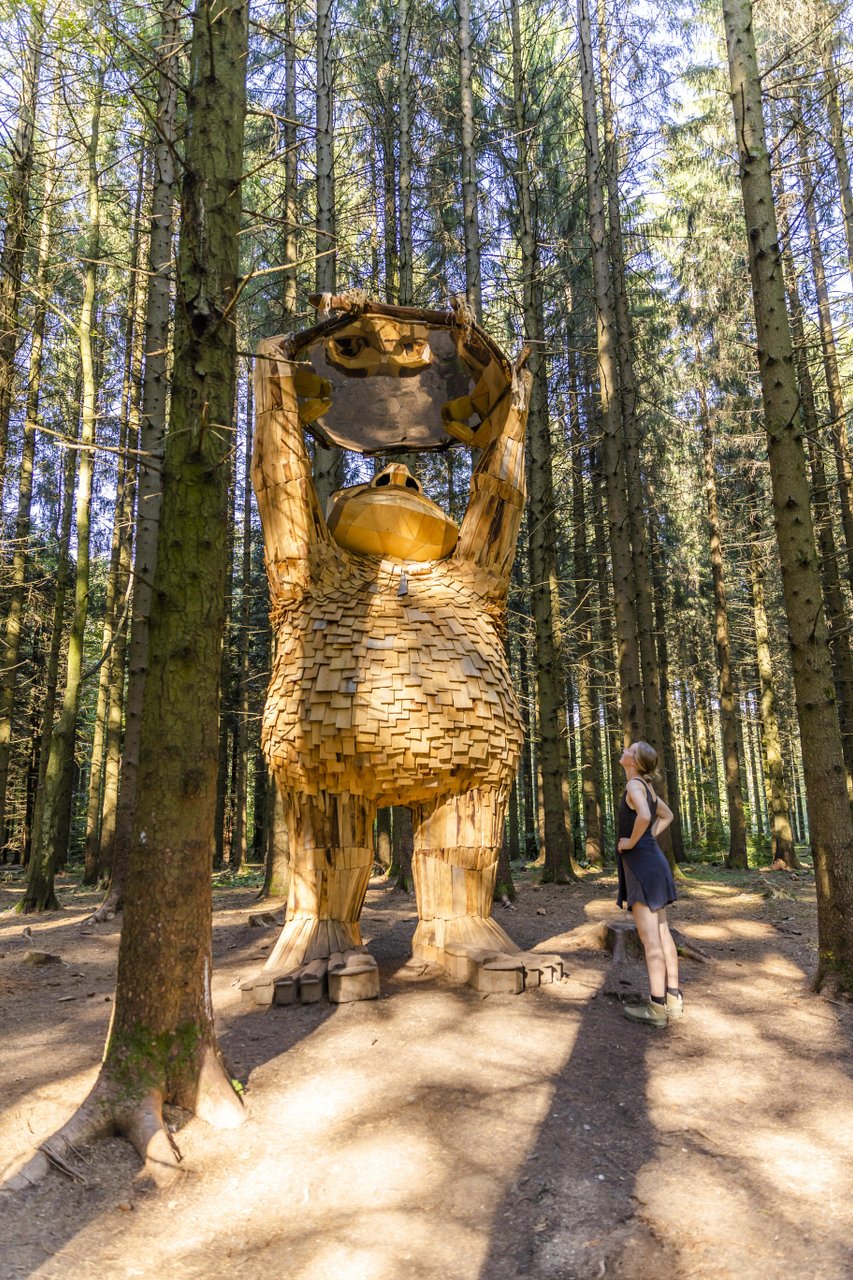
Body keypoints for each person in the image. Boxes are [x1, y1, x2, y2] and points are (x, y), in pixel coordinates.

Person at [616, 741, 683, 1028]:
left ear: (635, 761)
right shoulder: (648, 787)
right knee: (663, 932)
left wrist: (632, 842)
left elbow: (645, 816)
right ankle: (673, 999)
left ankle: (656, 1008)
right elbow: (666, 815)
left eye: (629, 749)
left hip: (642, 867)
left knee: (650, 939)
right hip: (654, 863)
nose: (624, 751)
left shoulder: (634, 785)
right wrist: (647, 838)